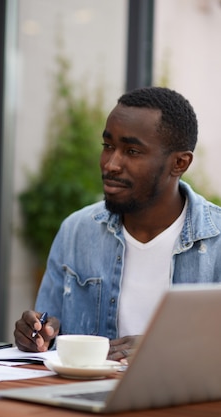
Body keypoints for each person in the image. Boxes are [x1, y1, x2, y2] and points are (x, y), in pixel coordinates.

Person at [14, 86, 221, 362]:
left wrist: (160, 353)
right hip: (81, 399)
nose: (111, 164)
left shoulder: (216, 241)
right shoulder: (76, 231)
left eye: (132, 151)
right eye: (108, 146)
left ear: (179, 163)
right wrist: (37, 335)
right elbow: (49, 336)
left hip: (185, 404)